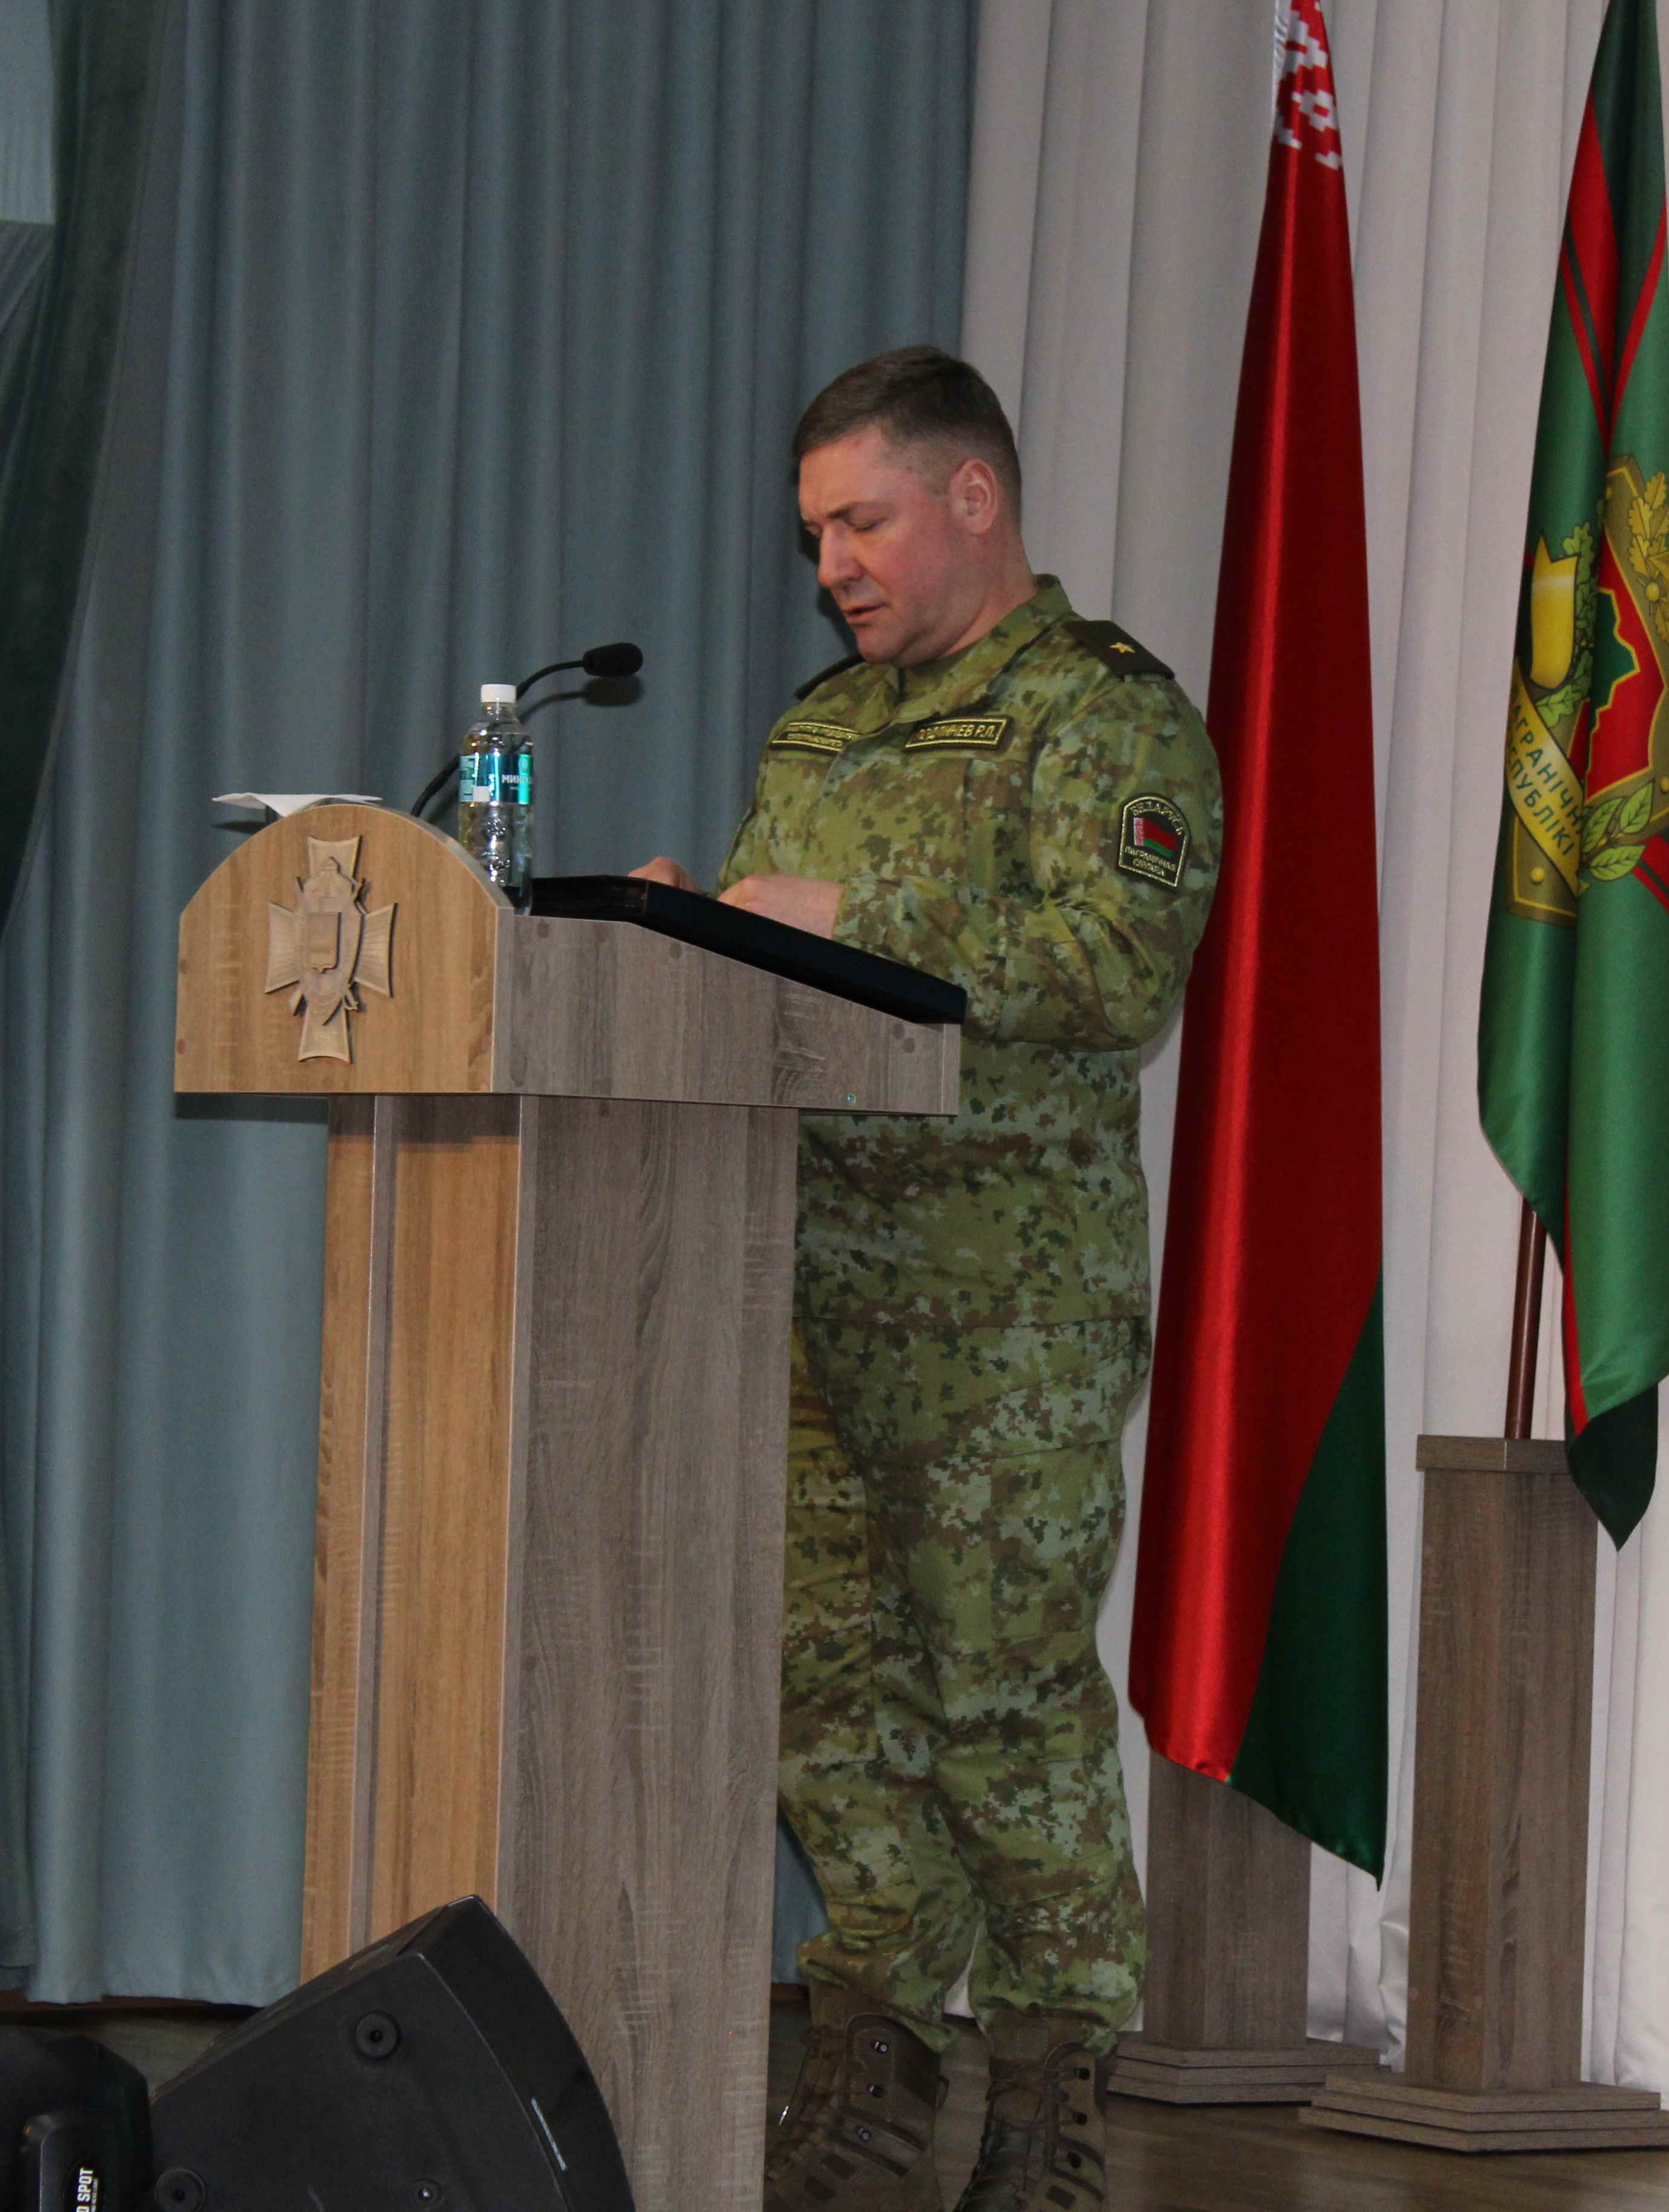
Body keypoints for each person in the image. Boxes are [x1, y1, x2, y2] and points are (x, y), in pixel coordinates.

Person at [634, 347, 1220, 2212]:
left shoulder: (1103, 712)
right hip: (803, 1285)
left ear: (975, 497)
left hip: (1004, 1314)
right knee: (827, 1699)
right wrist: (682, 936)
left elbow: (1115, 971)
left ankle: (1049, 2094)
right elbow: (771, 961)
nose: (831, 568)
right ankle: (873, 2076)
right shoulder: (818, 735)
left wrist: (854, 918)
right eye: (817, 533)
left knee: (999, 1698)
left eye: (861, 523)